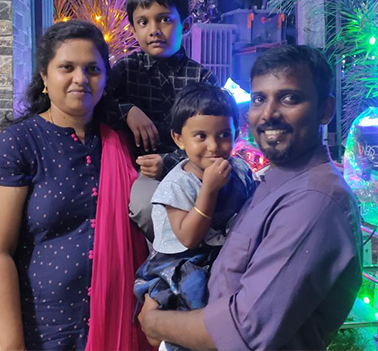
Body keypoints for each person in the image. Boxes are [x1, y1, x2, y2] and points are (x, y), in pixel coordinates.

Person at [138, 44, 363, 350]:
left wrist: (155, 323)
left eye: (289, 98)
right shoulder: (270, 181)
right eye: (259, 99)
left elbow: (243, 329)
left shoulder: (314, 200)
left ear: (325, 109)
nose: (268, 114)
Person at [0, 21, 152, 351]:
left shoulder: (121, 143)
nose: (81, 79)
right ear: (45, 76)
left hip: (113, 327)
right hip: (39, 334)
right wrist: (13, 346)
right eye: (67, 67)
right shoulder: (18, 144)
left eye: (92, 69)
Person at [134, 84, 254, 350]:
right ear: (179, 139)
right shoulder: (177, 184)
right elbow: (188, 238)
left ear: (236, 133)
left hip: (221, 255)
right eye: (201, 136)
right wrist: (209, 190)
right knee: (191, 312)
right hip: (181, 262)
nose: (214, 146)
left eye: (224, 135)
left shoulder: (240, 170)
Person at [108, 0, 219, 241]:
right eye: (143, 22)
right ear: (133, 29)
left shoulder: (201, 78)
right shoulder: (127, 69)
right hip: (140, 170)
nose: (154, 30)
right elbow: (98, 103)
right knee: (146, 209)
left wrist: (168, 162)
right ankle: (170, 257)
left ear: (185, 24)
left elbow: (213, 133)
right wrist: (127, 110)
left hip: (192, 166)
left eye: (165, 19)